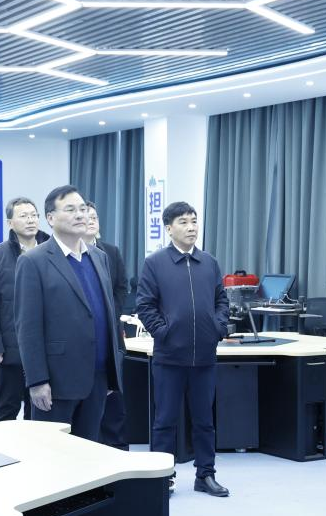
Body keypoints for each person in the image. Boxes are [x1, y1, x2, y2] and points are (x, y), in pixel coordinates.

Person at [136, 201, 230, 497]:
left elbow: (221, 300)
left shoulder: (209, 262)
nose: (191, 227)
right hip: (169, 357)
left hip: (204, 357)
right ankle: (162, 477)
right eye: (183, 222)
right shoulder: (155, 263)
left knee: (204, 421)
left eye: (194, 221)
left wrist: (218, 327)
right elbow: (145, 305)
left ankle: (206, 475)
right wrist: (164, 333)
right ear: (169, 228)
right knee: (165, 421)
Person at [14, 186, 123, 441]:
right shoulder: (34, 261)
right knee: (53, 454)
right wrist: (37, 381)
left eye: (83, 209)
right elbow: (27, 327)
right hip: (57, 381)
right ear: (51, 218)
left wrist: (111, 373)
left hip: (97, 378)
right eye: (71, 209)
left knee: (89, 451)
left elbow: (106, 315)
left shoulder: (99, 257)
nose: (80, 215)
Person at [0, 197, 50, 422]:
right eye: (23, 216)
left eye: (34, 215)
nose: (30, 220)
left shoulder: (53, 250)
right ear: (10, 223)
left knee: (41, 408)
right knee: (7, 407)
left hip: (48, 344)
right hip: (12, 346)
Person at [85, 201, 130, 449]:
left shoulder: (111, 252)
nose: (91, 221)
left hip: (111, 334)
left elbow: (122, 287)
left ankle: (118, 451)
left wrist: (111, 312)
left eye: (95, 217)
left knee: (114, 401)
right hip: (83, 339)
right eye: (86, 216)